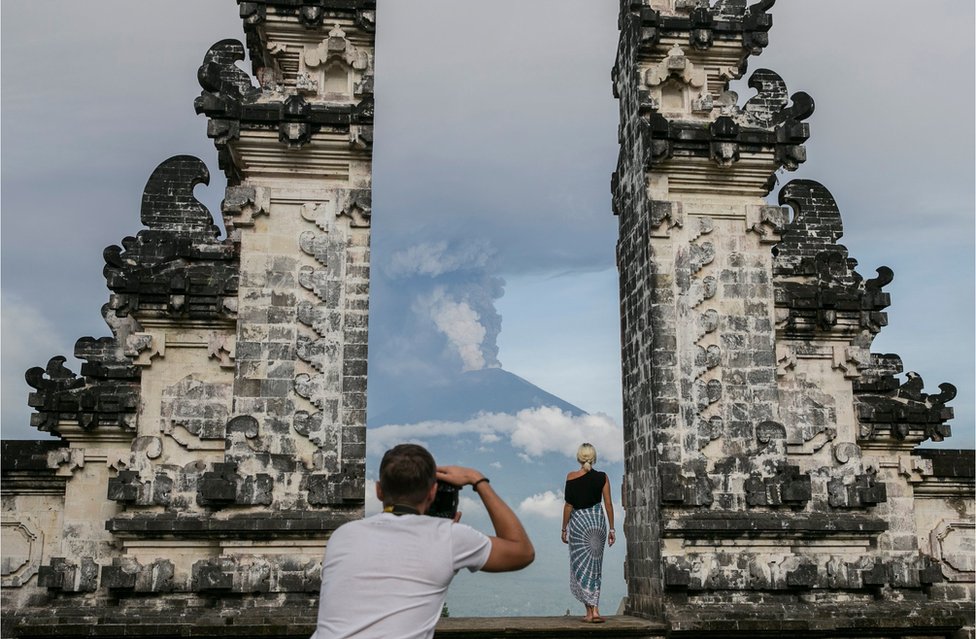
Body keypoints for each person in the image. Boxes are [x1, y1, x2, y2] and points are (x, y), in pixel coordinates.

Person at [310, 443, 534, 639]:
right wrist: (477, 479)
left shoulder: (343, 535)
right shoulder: (449, 537)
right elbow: (522, 551)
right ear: (432, 492)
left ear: (379, 491)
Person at [560, 442, 615, 623]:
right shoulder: (602, 477)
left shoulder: (571, 477)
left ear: (579, 457)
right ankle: (596, 611)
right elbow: (608, 504)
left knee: (581, 567)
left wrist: (564, 528)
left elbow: (569, 506)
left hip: (579, 526)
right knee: (595, 568)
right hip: (597, 525)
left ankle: (589, 612)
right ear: (593, 457)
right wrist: (612, 528)